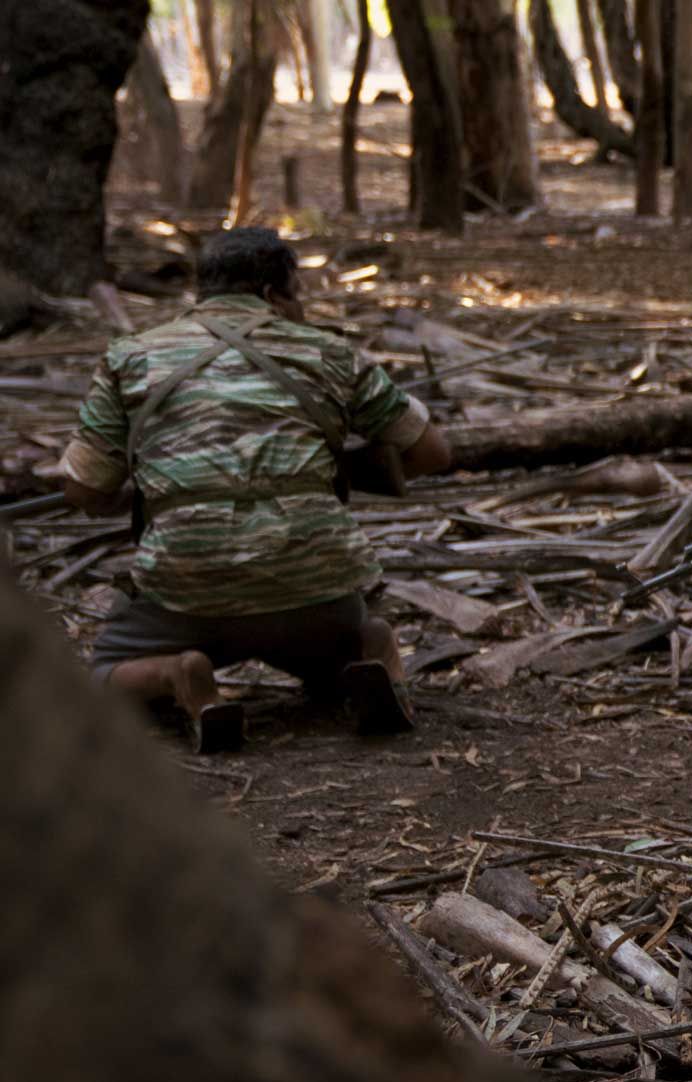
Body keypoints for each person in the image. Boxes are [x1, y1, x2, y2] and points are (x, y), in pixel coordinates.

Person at [59, 226, 452, 753]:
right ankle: (370, 649)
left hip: (186, 584)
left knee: (100, 673)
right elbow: (432, 453)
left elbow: (82, 487)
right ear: (273, 295)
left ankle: (177, 674)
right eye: (300, 297)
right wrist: (325, 472)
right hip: (312, 580)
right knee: (320, 641)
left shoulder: (131, 357)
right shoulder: (331, 354)